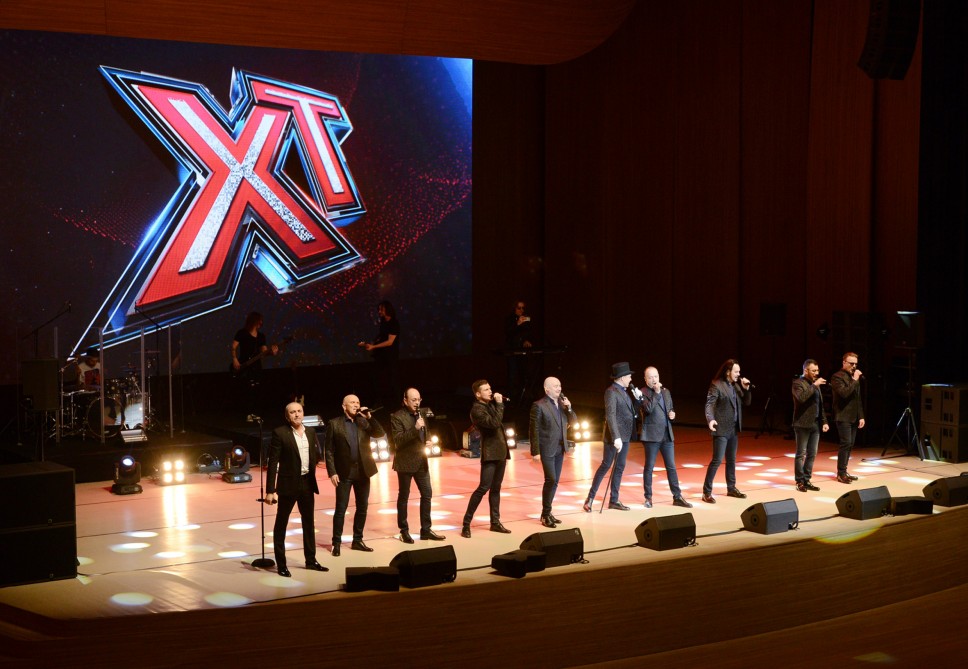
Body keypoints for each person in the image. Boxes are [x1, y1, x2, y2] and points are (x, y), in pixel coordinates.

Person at [264, 401, 328, 577]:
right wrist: (270, 490)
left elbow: (314, 456)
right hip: (288, 485)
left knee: (309, 523)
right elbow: (273, 463)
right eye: (293, 412)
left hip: (307, 483)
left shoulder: (310, 431)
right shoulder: (280, 433)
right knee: (281, 524)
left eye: (299, 411)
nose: (297, 414)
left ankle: (311, 560)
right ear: (287, 416)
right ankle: (282, 564)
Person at [324, 395, 385, 555]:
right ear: (344, 406)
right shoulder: (334, 423)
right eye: (352, 402)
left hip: (363, 471)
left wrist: (370, 418)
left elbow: (379, 433)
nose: (356, 405)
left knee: (362, 507)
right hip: (344, 472)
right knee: (341, 509)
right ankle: (336, 542)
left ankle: (357, 540)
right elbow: (329, 450)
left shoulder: (363, 421)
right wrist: (332, 472)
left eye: (358, 402)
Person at [390, 388, 445, 543]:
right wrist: (414, 430)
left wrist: (427, 439)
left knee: (427, 494)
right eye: (413, 400)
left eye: (419, 400)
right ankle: (404, 530)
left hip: (421, 461)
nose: (417, 403)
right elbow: (398, 441)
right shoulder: (397, 417)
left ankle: (426, 529)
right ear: (405, 400)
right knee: (404, 497)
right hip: (405, 462)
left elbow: (425, 431)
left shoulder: (421, 414)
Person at [583, 362, 637, 512]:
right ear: (621, 377)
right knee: (606, 465)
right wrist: (616, 437)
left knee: (619, 467)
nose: (631, 377)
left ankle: (614, 499)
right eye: (628, 375)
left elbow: (631, 412)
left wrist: (638, 400)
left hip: (625, 436)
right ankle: (590, 498)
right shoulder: (611, 392)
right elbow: (611, 415)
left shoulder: (625, 391)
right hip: (615, 437)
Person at [460, 380, 511, 537]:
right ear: (477, 394)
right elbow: (494, 423)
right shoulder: (477, 410)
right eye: (486, 390)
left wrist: (497, 404)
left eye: (490, 388)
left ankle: (495, 522)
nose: (490, 391)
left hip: (501, 451)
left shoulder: (490, 405)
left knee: (496, 488)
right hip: (490, 453)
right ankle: (466, 523)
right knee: (483, 488)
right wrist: (500, 405)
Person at [639, 366, 692, 509]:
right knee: (649, 467)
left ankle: (677, 496)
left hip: (666, 434)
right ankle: (648, 497)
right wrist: (656, 393)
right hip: (651, 436)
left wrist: (672, 414)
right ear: (645, 379)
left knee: (671, 467)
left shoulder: (666, 392)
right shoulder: (642, 392)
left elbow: (670, 408)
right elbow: (648, 410)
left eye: (655, 376)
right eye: (650, 377)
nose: (654, 379)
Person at [702, 358, 752, 503]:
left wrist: (746, 389)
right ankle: (706, 492)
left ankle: (731, 488)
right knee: (717, 460)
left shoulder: (735, 386)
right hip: (721, 428)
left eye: (739, 372)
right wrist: (710, 419)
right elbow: (709, 405)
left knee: (731, 460)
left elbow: (747, 402)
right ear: (728, 372)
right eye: (736, 372)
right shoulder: (716, 385)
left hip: (733, 429)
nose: (738, 374)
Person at [529, 376, 577, 527]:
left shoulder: (562, 405)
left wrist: (569, 407)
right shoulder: (539, 405)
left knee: (555, 481)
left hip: (559, 448)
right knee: (550, 479)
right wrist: (535, 451)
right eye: (555, 386)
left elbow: (574, 422)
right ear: (547, 389)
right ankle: (545, 514)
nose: (559, 388)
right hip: (547, 448)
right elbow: (533, 430)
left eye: (560, 385)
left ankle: (548, 512)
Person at [792, 358, 829, 492]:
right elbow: (801, 398)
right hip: (802, 424)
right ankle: (799, 480)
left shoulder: (815, 384)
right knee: (801, 453)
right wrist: (814, 386)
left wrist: (824, 421)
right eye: (813, 370)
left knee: (812, 453)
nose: (816, 373)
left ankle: (807, 479)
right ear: (805, 370)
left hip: (815, 424)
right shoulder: (797, 383)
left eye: (817, 370)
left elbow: (820, 405)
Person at [230, 311, 278, 414]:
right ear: (254, 321)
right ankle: (244, 412)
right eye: (259, 321)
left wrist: (272, 352)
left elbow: (264, 352)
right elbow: (233, 347)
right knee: (245, 388)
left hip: (256, 366)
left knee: (256, 388)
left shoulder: (261, 336)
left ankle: (254, 412)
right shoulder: (242, 333)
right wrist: (234, 359)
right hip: (243, 364)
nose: (261, 323)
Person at [358, 300, 400, 410]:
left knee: (392, 380)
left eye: (381, 309)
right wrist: (371, 344)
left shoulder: (394, 323)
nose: (379, 311)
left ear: (387, 310)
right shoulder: (383, 322)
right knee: (379, 379)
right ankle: (380, 402)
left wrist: (374, 347)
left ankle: (396, 404)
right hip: (381, 356)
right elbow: (381, 336)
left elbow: (390, 342)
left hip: (390, 357)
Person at [831, 352, 865, 484]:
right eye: (851, 363)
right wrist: (855, 380)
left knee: (850, 444)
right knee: (845, 444)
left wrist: (861, 416)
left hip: (854, 416)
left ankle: (844, 471)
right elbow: (844, 393)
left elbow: (858, 399)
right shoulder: (837, 377)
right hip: (843, 415)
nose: (854, 366)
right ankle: (840, 473)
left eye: (856, 364)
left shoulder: (853, 378)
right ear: (844, 362)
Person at [504, 300, 533, 403]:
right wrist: (517, 324)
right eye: (519, 308)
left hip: (523, 351)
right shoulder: (510, 319)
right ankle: (511, 398)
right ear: (514, 308)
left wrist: (527, 340)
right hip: (512, 351)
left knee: (524, 373)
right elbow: (508, 333)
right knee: (513, 374)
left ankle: (524, 396)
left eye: (523, 308)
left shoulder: (526, 319)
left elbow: (528, 333)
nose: (521, 310)